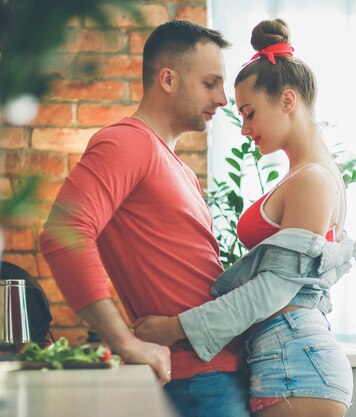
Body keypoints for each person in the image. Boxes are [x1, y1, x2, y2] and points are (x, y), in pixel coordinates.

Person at [132, 18, 356, 417]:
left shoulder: (312, 181)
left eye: (250, 113)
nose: (244, 129)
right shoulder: (309, 174)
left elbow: (274, 289)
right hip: (287, 356)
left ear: (287, 101)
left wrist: (176, 328)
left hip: (295, 360)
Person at [38, 20, 250, 417]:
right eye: (210, 83)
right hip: (197, 383)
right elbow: (64, 232)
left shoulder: (180, 169)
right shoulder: (127, 142)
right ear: (167, 79)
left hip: (220, 375)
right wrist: (124, 342)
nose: (223, 99)